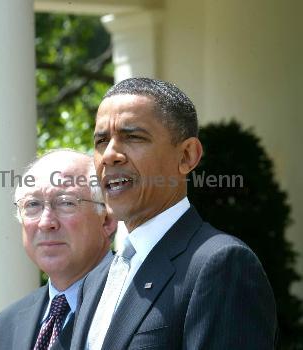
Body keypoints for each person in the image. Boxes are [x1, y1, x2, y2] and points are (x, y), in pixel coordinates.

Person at [70, 78, 278, 350]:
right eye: (101, 141)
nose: (110, 155)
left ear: (187, 156)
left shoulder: (221, 265)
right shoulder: (96, 280)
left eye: (132, 137)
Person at [0, 149, 117, 350]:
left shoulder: (139, 302)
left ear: (106, 220)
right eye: (33, 204)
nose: (46, 222)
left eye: (66, 203)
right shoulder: (3, 327)